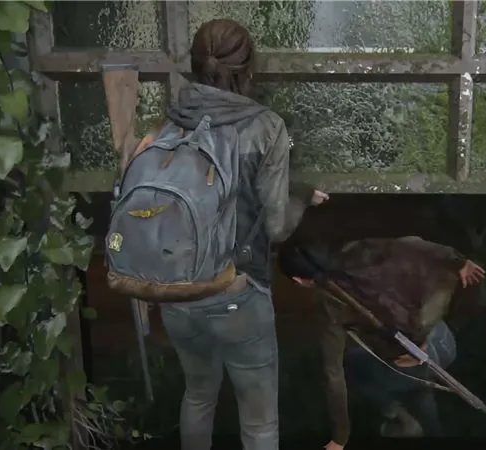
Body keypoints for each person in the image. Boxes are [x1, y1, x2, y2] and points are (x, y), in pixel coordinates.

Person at [151, 19, 328, 450]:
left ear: (195, 64)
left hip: (177, 292)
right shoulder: (266, 127)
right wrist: (302, 198)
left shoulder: (170, 125)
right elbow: (276, 226)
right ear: (249, 67)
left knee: (198, 395)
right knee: (259, 421)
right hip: (237, 292)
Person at [276, 236, 486, 450]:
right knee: (414, 382)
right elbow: (411, 243)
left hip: (413, 362)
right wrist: (457, 260)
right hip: (443, 340)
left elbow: (333, 376)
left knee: (357, 369)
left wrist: (340, 437)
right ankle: (427, 423)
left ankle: (399, 416)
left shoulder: (330, 306)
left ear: (298, 280)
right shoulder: (358, 249)